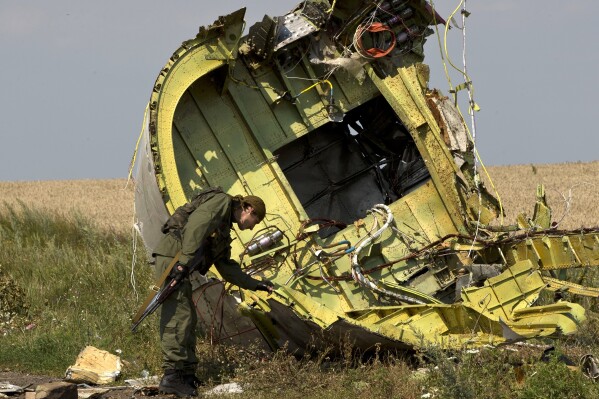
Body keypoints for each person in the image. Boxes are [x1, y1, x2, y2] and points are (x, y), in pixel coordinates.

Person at [152, 189, 274, 397]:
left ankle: (186, 374)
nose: (253, 226)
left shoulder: (224, 228)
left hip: (180, 261)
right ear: (248, 209)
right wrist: (183, 263)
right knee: (178, 316)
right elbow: (196, 226)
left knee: (187, 318)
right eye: (256, 220)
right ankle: (172, 376)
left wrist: (255, 284)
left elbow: (226, 267)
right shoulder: (222, 202)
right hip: (173, 258)